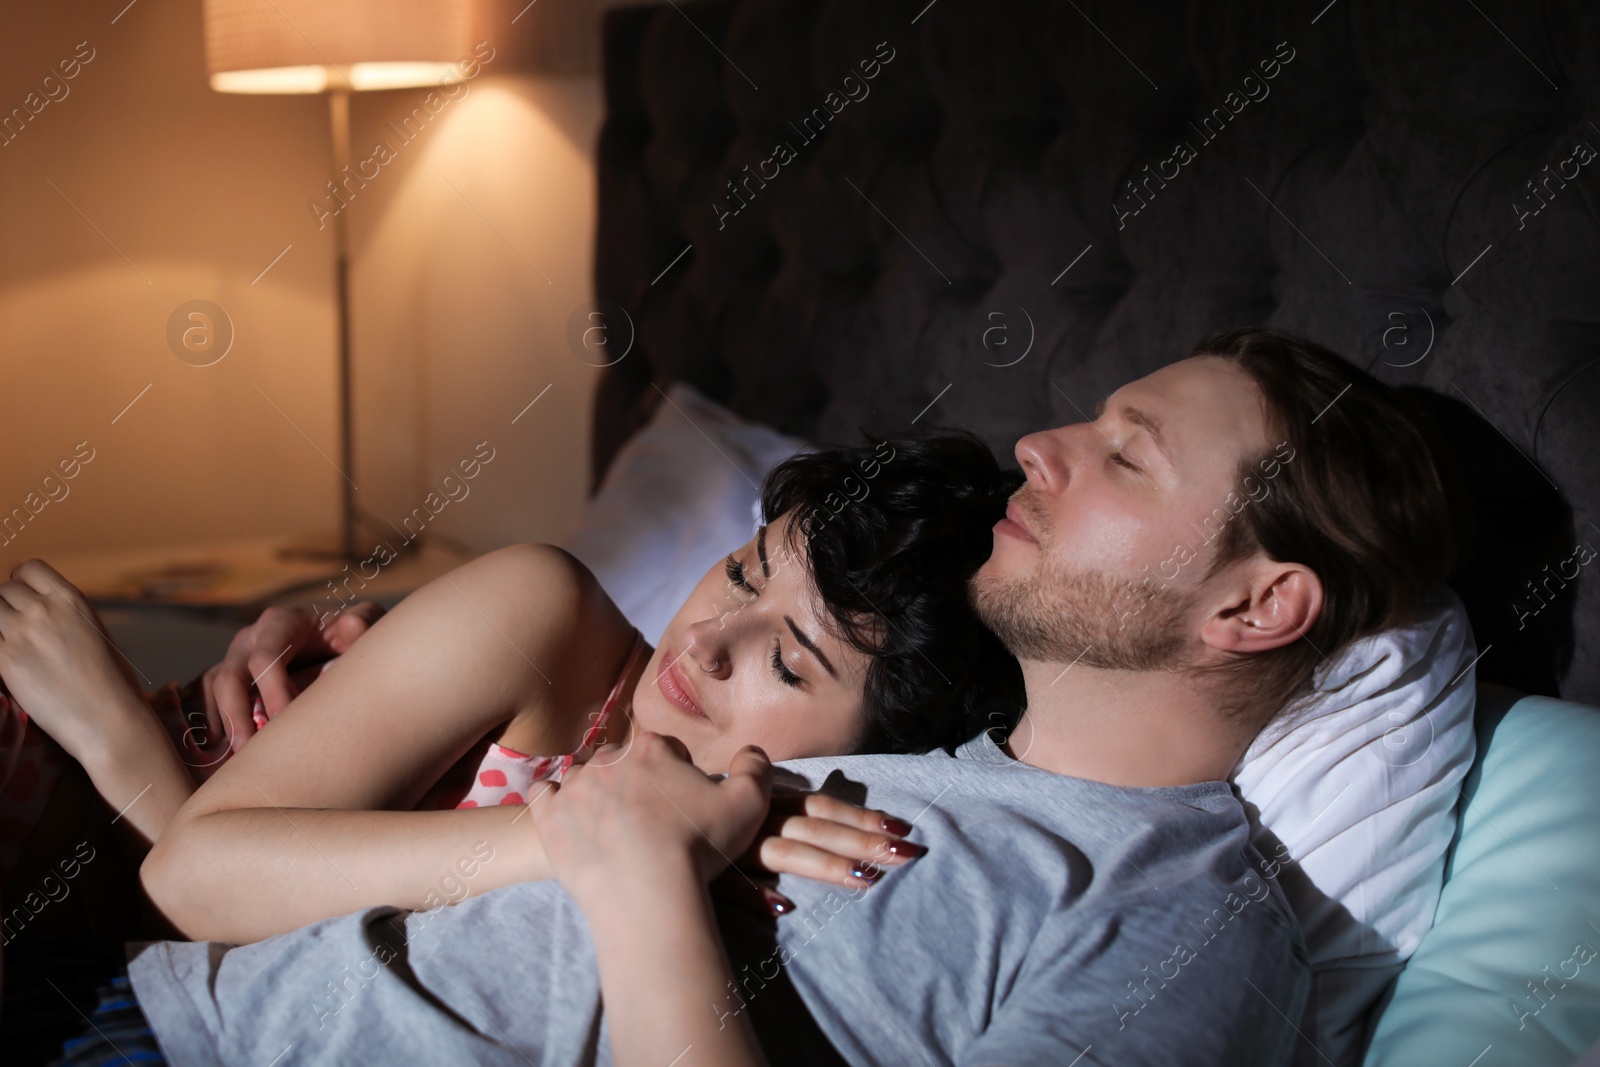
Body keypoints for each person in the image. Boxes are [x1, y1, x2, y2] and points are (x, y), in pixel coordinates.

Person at [14, 327, 1464, 1066]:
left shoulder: (1182, 924)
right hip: (173, 1007)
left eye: (1125, 457)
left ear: (1257, 606)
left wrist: (636, 866)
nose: (1042, 444)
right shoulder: (941, 755)